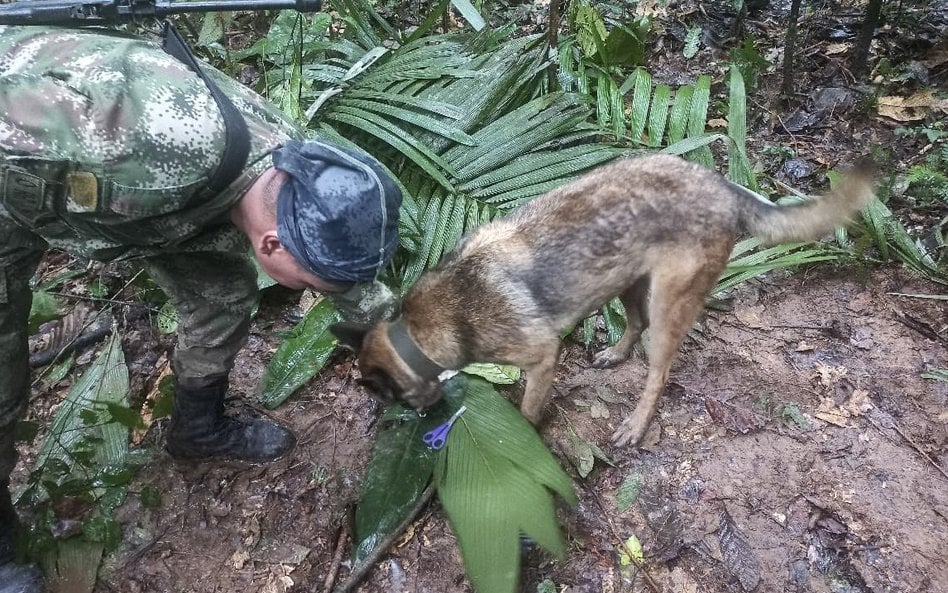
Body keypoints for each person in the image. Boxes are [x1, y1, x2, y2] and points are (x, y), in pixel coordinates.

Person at [0, 25, 402, 592]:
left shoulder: (297, 173)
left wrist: (403, 349)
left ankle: (198, 428)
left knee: (224, 298)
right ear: (272, 246)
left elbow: (350, 282)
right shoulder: (141, 142)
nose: (322, 292)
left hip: (156, 213)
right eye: (315, 284)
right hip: (16, 181)